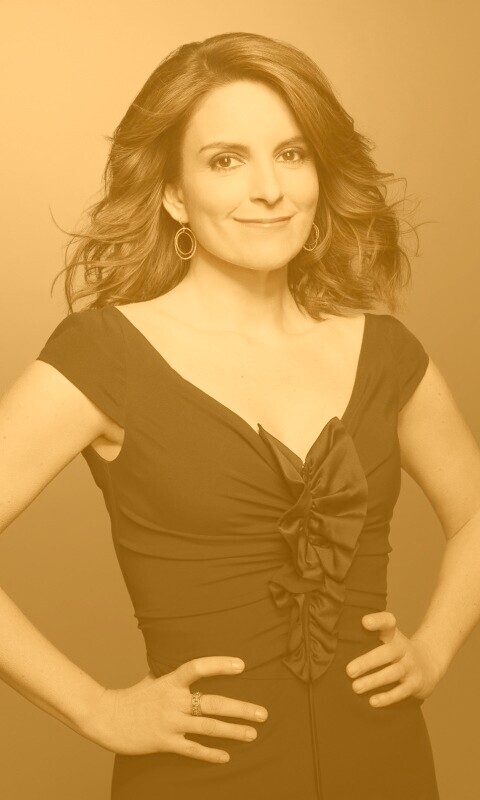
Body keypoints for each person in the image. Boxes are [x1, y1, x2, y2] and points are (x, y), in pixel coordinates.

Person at [1, 30, 479, 800]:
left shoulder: (386, 352)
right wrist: (95, 709)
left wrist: (434, 648)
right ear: (173, 193)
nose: (269, 189)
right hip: (200, 779)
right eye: (226, 160)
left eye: (291, 154)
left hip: (387, 767)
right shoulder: (104, 354)